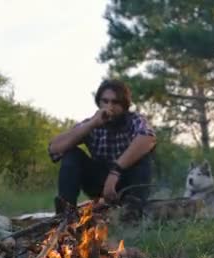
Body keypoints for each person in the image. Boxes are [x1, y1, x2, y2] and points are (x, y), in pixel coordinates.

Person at [48, 79, 156, 212]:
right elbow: (54, 148)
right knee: (72, 155)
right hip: (100, 182)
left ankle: (133, 212)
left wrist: (116, 171)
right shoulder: (92, 123)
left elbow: (148, 139)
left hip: (128, 183)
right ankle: (65, 213)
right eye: (105, 101)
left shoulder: (135, 120)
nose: (109, 107)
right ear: (99, 103)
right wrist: (91, 124)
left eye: (115, 102)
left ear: (124, 105)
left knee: (143, 156)